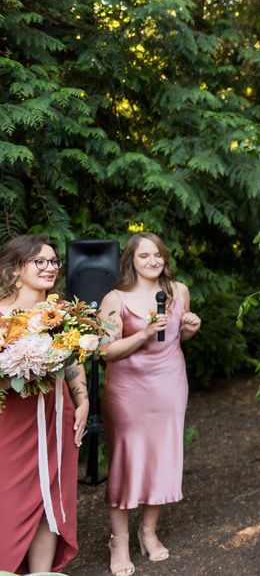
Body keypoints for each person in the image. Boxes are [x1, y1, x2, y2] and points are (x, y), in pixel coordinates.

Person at [99, 232, 201, 575]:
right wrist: (142, 333)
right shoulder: (115, 298)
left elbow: (176, 336)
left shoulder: (178, 292)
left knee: (162, 456)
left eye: (157, 255)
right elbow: (105, 351)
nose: (153, 261)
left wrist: (190, 325)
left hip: (170, 384)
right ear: (131, 260)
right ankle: (119, 540)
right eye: (144, 256)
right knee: (126, 461)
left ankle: (149, 532)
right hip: (128, 390)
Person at [0, 234, 89, 574]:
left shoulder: (62, 312)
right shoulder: (1, 316)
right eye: (41, 261)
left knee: (48, 498)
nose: (50, 267)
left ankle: (42, 572)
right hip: (11, 421)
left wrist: (81, 400)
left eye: (54, 262)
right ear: (15, 270)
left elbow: (73, 359)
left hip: (56, 418)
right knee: (10, 498)